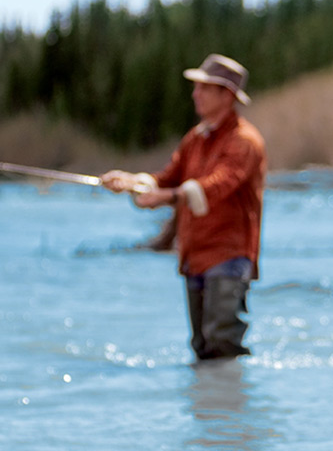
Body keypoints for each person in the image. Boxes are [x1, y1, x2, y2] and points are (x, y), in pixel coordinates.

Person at [102, 54, 266, 361]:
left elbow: (218, 185)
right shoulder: (195, 139)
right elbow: (167, 179)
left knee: (222, 342)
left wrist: (165, 196)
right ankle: (209, 408)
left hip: (230, 256)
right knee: (202, 346)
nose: (195, 94)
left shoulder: (246, 141)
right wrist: (133, 181)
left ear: (227, 95)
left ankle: (230, 407)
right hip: (195, 255)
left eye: (204, 88)